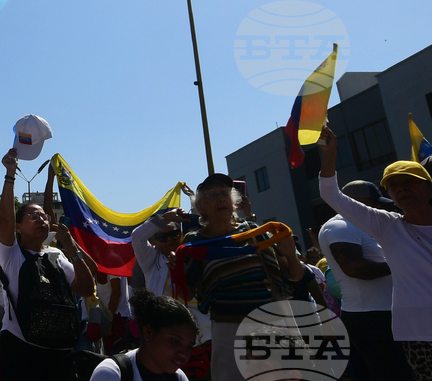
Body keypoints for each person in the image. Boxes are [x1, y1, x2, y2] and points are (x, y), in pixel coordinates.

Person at [318, 126, 432, 380]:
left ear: (428, 187)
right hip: (418, 336)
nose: (401, 188)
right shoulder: (388, 226)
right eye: (394, 186)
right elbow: (330, 194)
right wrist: (329, 155)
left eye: (409, 182)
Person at [181, 173, 304, 381]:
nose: (221, 198)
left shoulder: (254, 232)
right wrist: (177, 269)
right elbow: (188, 291)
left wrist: (291, 254)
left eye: (224, 194)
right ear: (200, 206)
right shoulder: (195, 243)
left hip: (271, 323)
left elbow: (294, 276)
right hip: (229, 328)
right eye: (212, 195)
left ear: (233, 201)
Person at [0, 148, 97, 379]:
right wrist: (10, 174)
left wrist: (73, 250)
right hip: (21, 351)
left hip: (60, 353)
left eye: (43, 216)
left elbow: (86, 288)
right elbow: (5, 219)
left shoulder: (58, 255)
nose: (41, 219)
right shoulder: (13, 256)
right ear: (18, 227)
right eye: (33, 216)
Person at [318, 179, 412, 380]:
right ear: (355, 201)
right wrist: (402, 264)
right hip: (370, 318)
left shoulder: (362, 225)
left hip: (387, 313)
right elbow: (355, 268)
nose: (377, 207)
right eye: (373, 202)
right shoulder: (339, 225)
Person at [132, 208, 212, 376]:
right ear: (155, 241)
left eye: (174, 234)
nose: (169, 240)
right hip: (166, 349)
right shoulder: (151, 261)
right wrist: (166, 217)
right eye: (162, 237)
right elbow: (137, 237)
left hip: (204, 342)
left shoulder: (196, 255)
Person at [89, 289, 198, 381]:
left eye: (189, 346)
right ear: (148, 332)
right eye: (175, 341)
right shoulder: (111, 373)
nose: (183, 354)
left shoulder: (179, 377)